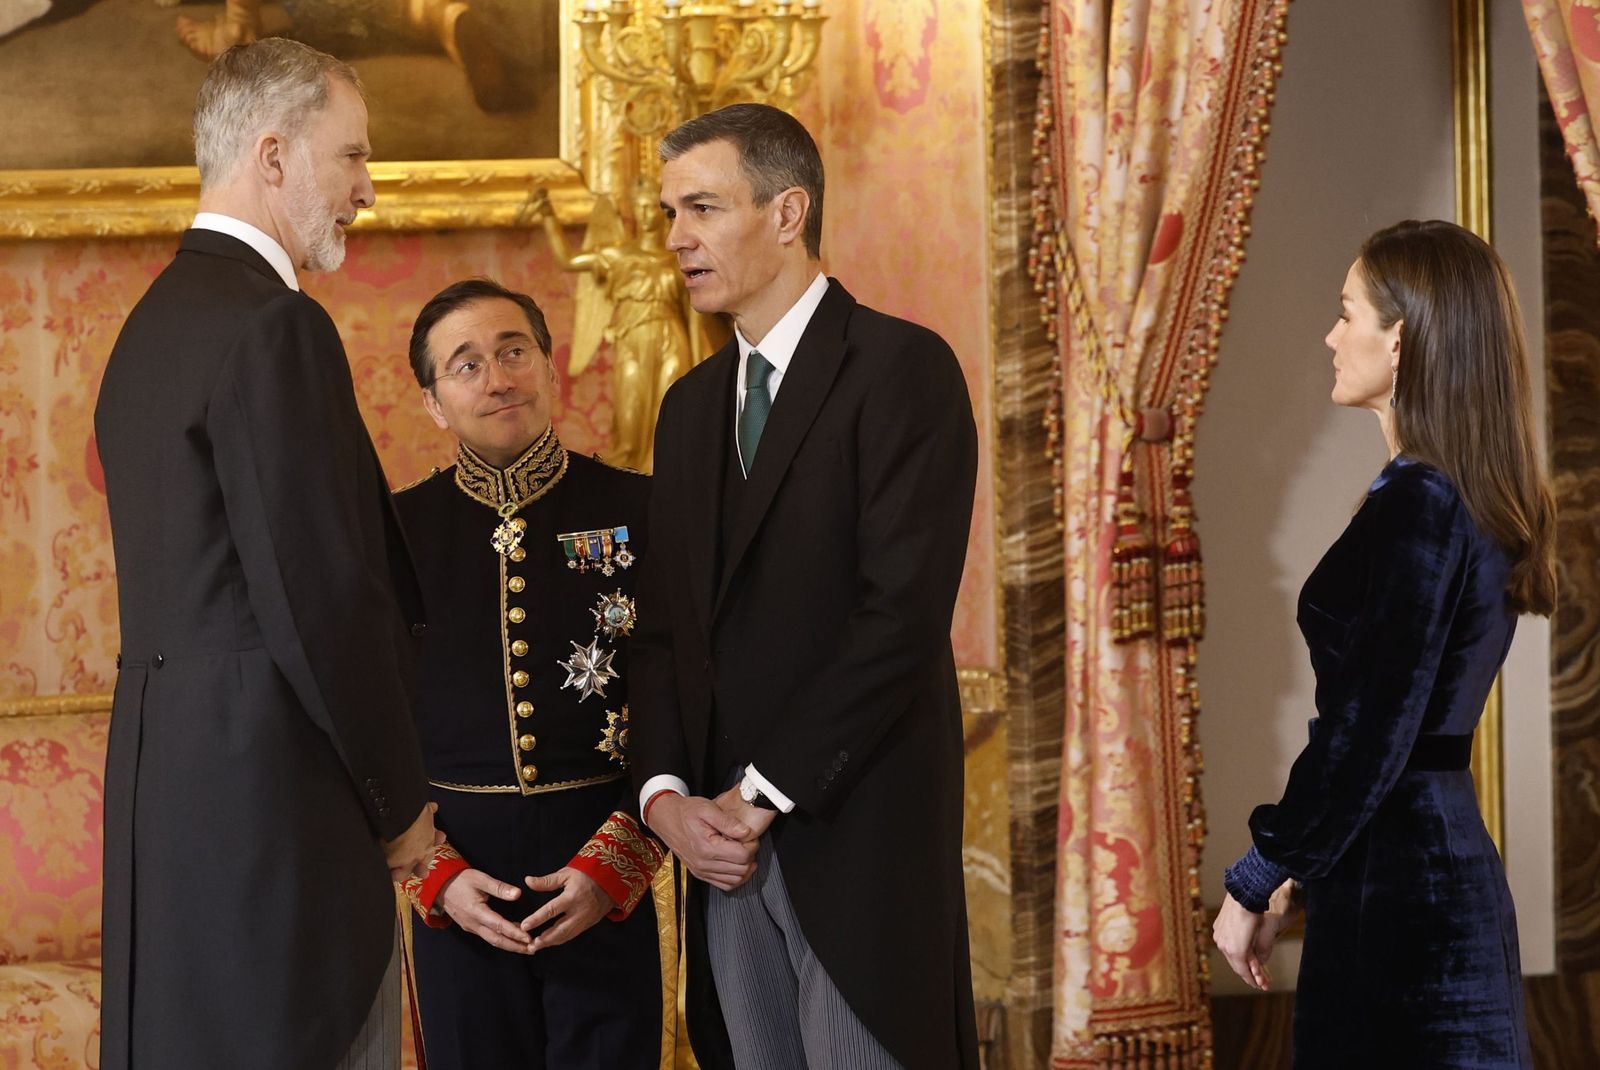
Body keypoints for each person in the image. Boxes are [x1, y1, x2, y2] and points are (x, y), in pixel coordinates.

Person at [93, 39, 437, 1070]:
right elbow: (321, 595)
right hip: (279, 810)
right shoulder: (274, 325)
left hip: (171, 794)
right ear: (276, 154)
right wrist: (399, 801)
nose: (367, 192)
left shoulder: (150, 327)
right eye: (354, 158)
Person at [629, 102, 982, 1069]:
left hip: (855, 834)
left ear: (788, 213)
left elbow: (900, 616)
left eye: (700, 209)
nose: (676, 239)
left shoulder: (903, 368)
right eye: (669, 214)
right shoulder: (691, 410)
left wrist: (762, 791)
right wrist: (666, 799)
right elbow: (663, 632)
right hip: (723, 855)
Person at [1212, 219, 1555, 1067]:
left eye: (1347, 313)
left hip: (1405, 905)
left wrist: (1258, 873)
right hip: (1415, 876)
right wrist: (1302, 862)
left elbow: (1368, 731)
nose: (1331, 336)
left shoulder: (1420, 503)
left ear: (1399, 339)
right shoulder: (1453, 494)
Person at [391, 278, 668, 1068]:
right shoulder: (397, 534)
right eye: (466, 365)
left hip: (608, 876)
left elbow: (682, 698)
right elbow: (368, 716)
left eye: (514, 352)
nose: (498, 377)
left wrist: (620, 861)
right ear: (436, 403)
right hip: (458, 888)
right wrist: (434, 877)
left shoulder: (646, 510)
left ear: (551, 369)